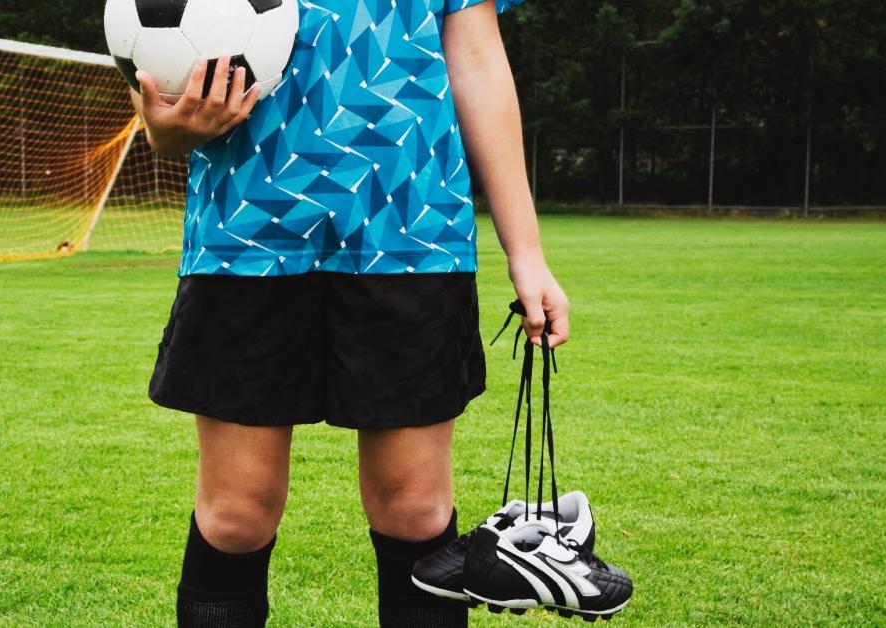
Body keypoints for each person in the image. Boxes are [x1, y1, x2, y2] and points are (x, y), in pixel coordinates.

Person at [130, 0, 569, 625]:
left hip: (413, 233)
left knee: (414, 511)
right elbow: (160, 71)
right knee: (236, 516)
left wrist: (526, 253)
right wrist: (166, 129)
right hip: (244, 235)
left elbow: (476, 60)